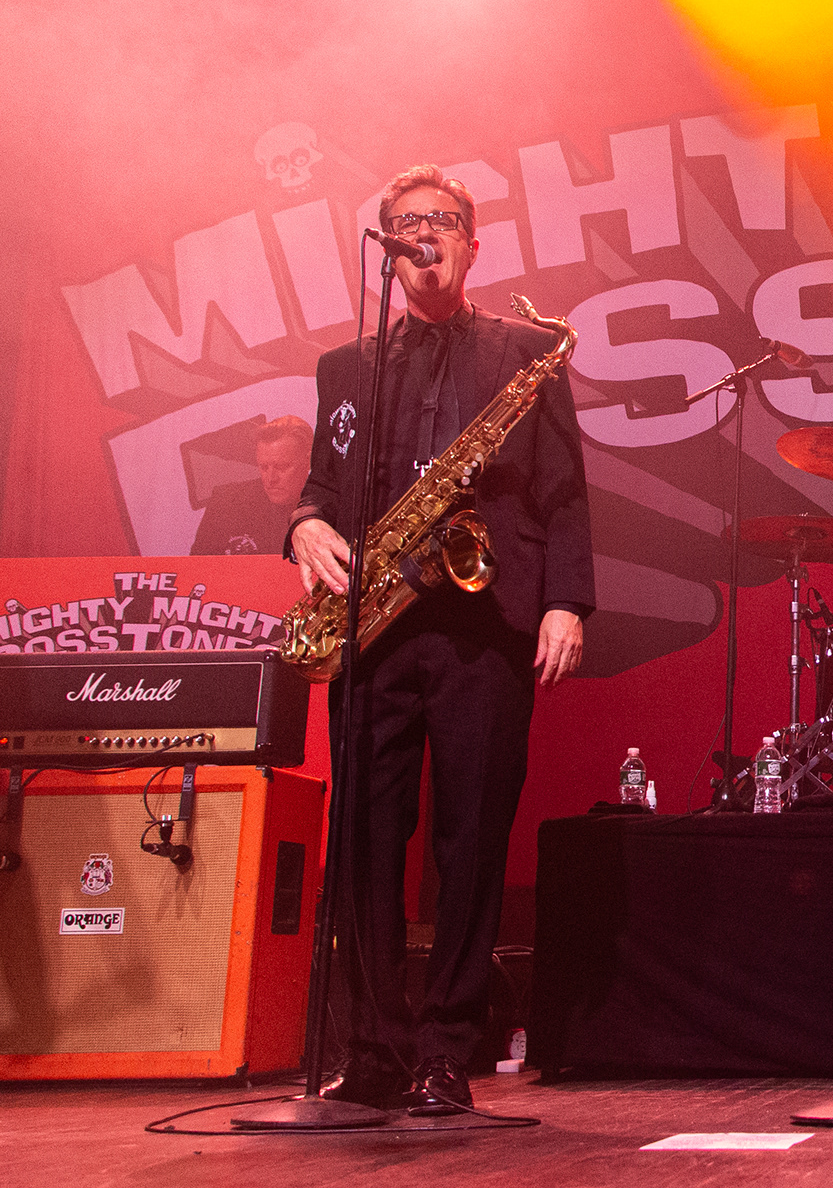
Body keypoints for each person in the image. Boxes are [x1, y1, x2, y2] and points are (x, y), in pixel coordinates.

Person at [287, 165, 593, 1116]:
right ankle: (373, 1047)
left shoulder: (526, 351)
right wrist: (304, 525)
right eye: (407, 222)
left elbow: (564, 489)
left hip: (483, 624)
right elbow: (324, 486)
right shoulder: (347, 367)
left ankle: (445, 1050)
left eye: (443, 221)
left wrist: (565, 603)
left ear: (470, 243)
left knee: (472, 840)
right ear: (387, 245)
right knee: (365, 843)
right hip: (376, 627)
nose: (426, 234)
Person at [190, 416, 312, 554]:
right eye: (263, 467)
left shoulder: (327, 506)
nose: (270, 479)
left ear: (308, 461)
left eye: (282, 467)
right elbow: (198, 564)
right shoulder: (226, 502)